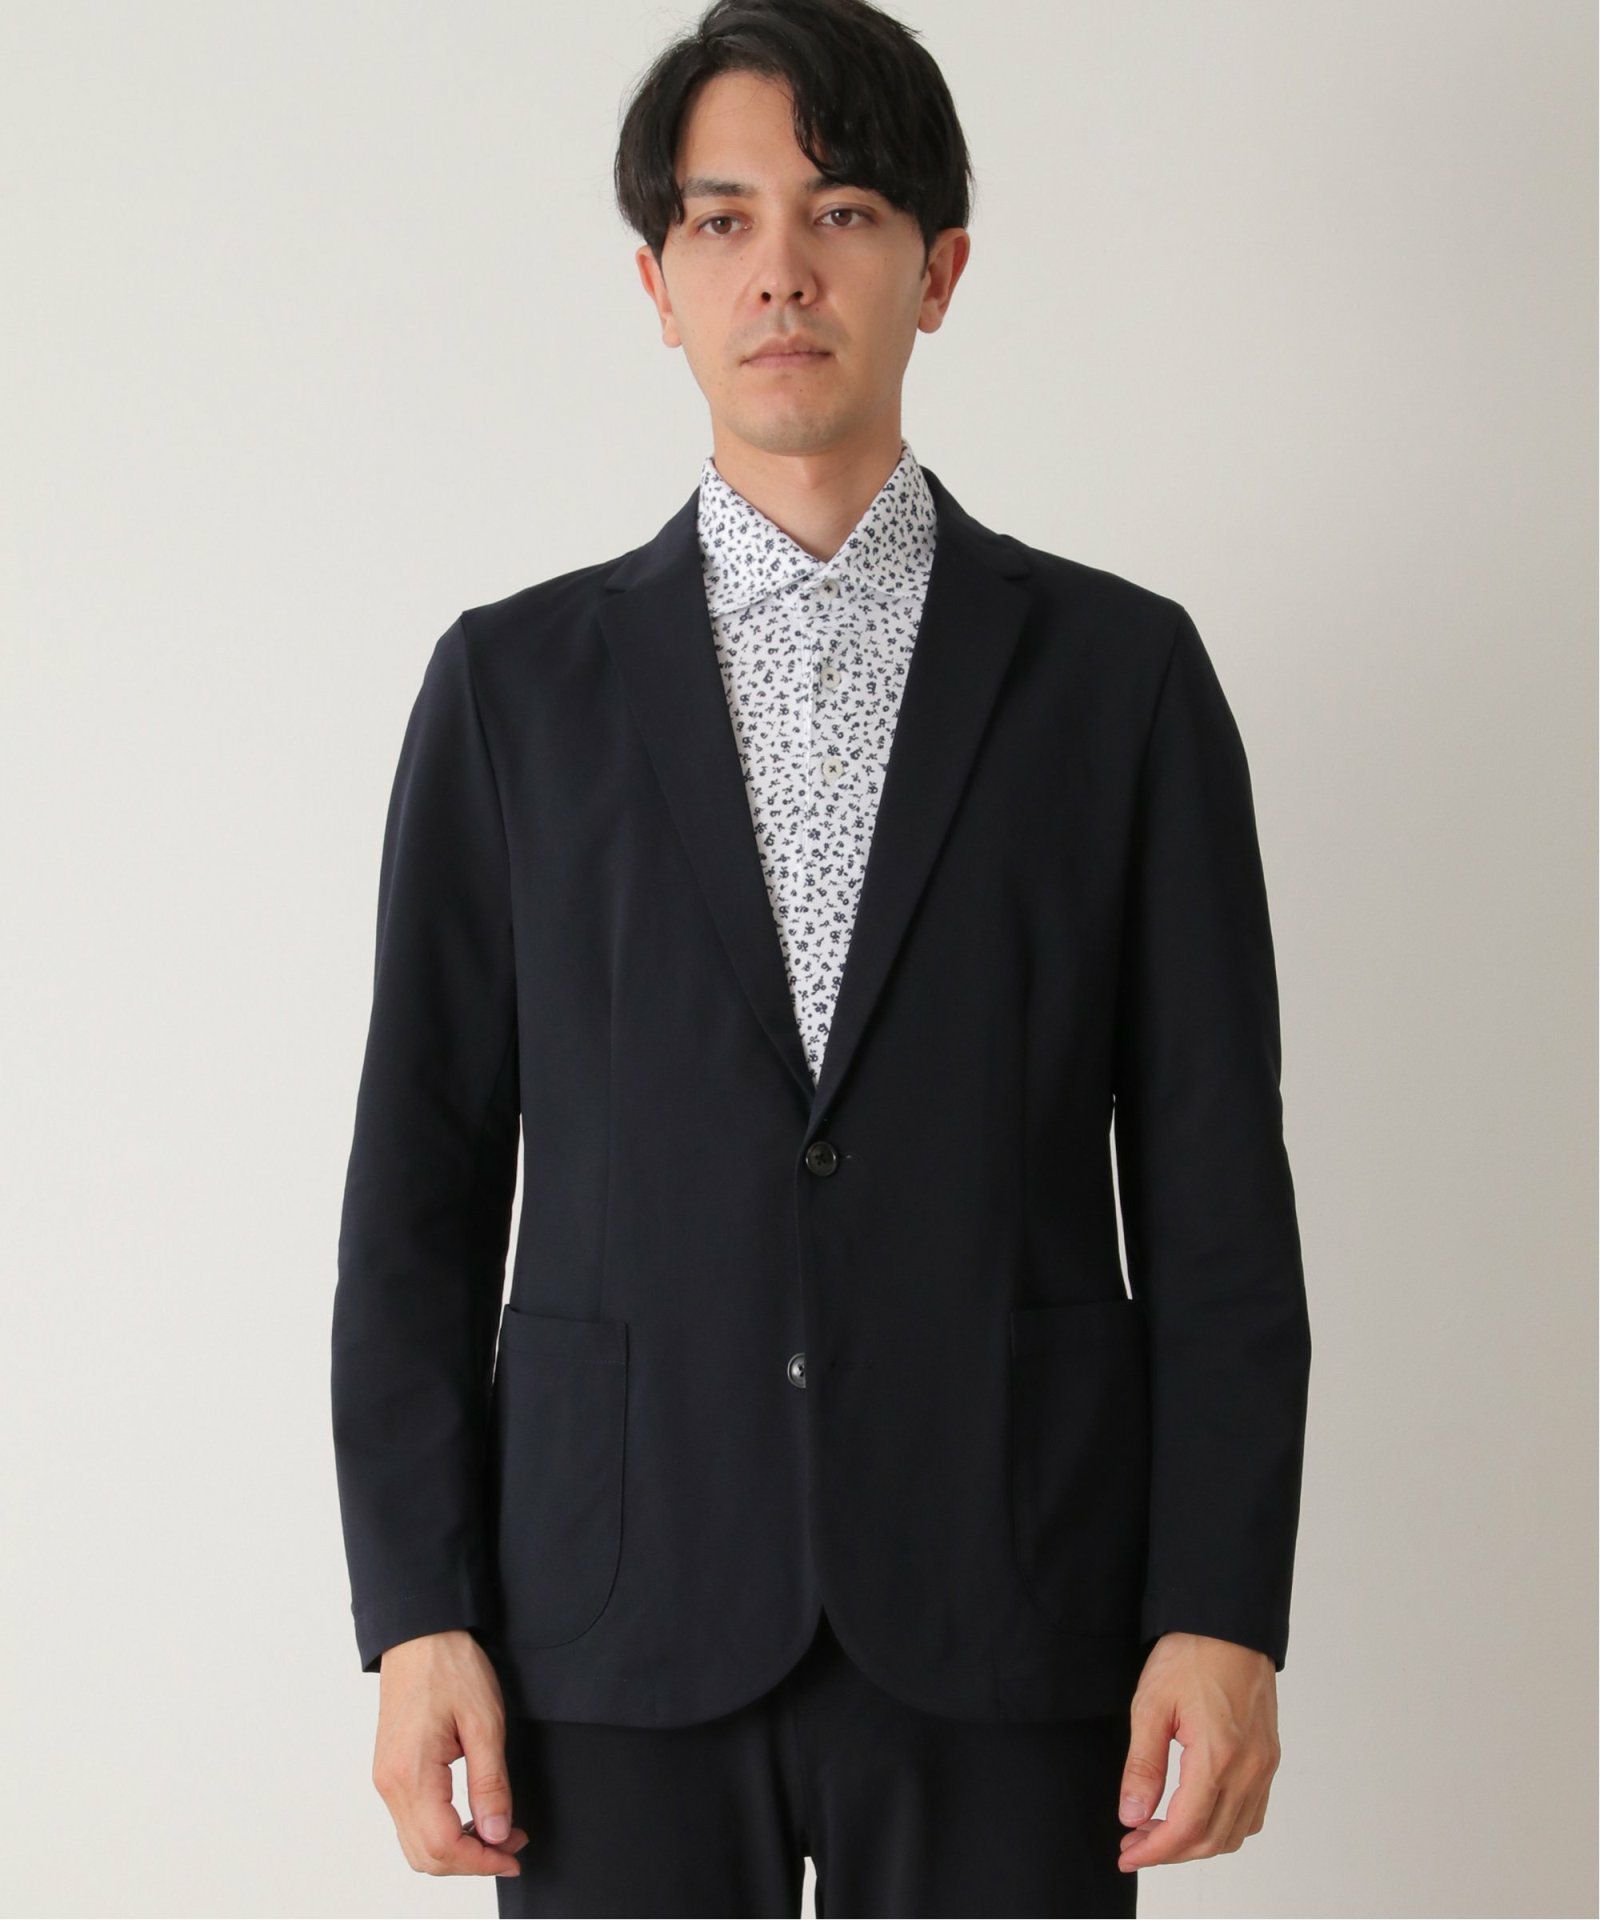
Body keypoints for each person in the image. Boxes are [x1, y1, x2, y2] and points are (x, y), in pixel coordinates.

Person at [330, 2, 1313, 1913]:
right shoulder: (513, 693)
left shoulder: (1120, 682)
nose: (780, 269)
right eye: (723, 220)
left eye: (843, 210)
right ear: (658, 283)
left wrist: (1221, 1604)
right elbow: (418, 1188)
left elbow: (1215, 1187)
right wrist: (416, 1608)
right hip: (606, 1618)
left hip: (1013, 1602)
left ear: (939, 270)